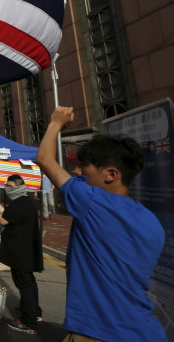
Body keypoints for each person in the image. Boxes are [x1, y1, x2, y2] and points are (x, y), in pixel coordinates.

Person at [35, 107, 166, 341]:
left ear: (111, 174)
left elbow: (44, 159)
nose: (76, 171)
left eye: (84, 166)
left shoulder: (93, 202)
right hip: (146, 332)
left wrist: (56, 122)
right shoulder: (152, 222)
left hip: (97, 332)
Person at [0, 175, 43, 335]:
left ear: (19, 187)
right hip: (25, 251)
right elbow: (8, 214)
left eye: (11, 185)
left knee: (24, 283)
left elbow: (4, 220)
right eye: (6, 185)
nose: (7, 188)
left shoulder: (21, 203)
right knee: (28, 282)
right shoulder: (24, 202)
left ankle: (29, 322)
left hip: (21, 252)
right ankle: (34, 312)